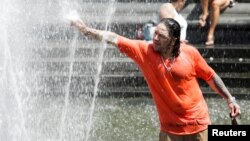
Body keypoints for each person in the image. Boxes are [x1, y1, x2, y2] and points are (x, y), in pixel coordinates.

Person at [70, 18, 241, 141]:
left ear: (174, 40)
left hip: (198, 125)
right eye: (155, 33)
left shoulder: (190, 53)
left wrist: (230, 99)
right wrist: (85, 30)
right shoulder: (144, 51)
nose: (155, 38)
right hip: (169, 129)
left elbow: (211, 77)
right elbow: (113, 38)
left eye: (162, 35)